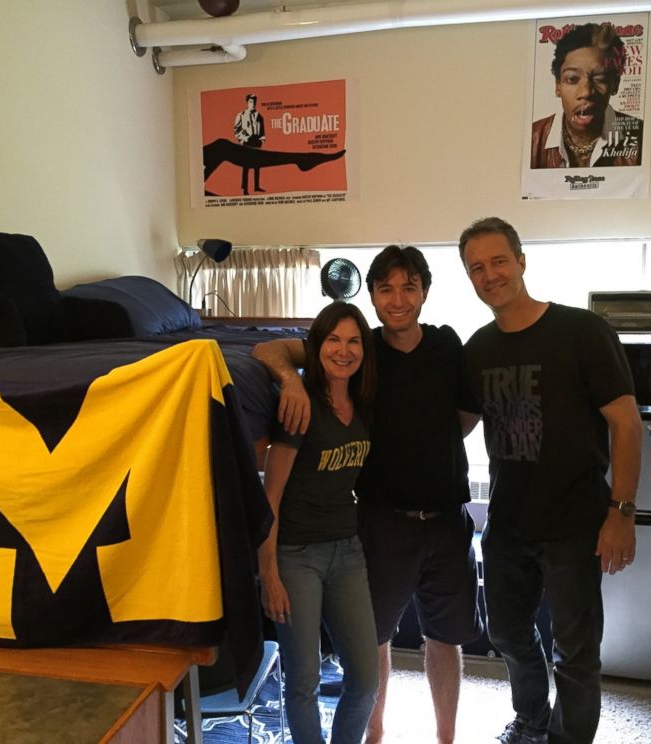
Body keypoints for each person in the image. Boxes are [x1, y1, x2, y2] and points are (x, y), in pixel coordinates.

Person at [253, 246, 482, 744]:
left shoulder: (447, 345)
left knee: (445, 636)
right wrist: (288, 384)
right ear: (373, 296)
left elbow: (466, 418)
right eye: (386, 289)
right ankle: (373, 734)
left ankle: (446, 736)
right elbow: (271, 350)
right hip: (381, 521)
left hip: (446, 519)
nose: (398, 299)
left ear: (424, 291)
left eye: (408, 287)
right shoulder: (362, 350)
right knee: (371, 644)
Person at [457, 217, 642, 744]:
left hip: (576, 524)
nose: (489, 274)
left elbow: (626, 425)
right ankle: (532, 719)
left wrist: (621, 515)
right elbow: (455, 426)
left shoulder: (582, 331)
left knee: (577, 652)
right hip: (509, 522)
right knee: (506, 632)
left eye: (497, 261)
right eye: (476, 267)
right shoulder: (478, 348)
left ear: (521, 260)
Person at [257, 300, 380, 744]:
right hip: (295, 556)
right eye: (333, 340)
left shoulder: (365, 404)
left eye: (353, 341)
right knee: (304, 683)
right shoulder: (300, 406)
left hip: (347, 552)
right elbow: (269, 497)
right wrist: (268, 573)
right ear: (316, 346)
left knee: (366, 681)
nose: (343, 351)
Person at [531, 23, 643, 169]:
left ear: (614, 84)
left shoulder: (642, 138)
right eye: (572, 79)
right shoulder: (532, 138)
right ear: (558, 86)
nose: (586, 92)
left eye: (600, 79)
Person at [234, 92, 266, 195]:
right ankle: (245, 189)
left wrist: (261, 140)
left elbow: (262, 131)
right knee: (246, 166)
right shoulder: (241, 115)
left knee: (257, 165)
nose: (253, 104)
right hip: (246, 142)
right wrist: (241, 139)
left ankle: (256, 186)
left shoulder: (259, 116)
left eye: (254, 102)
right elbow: (236, 130)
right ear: (247, 102)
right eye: (251, 102)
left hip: (256, 143)